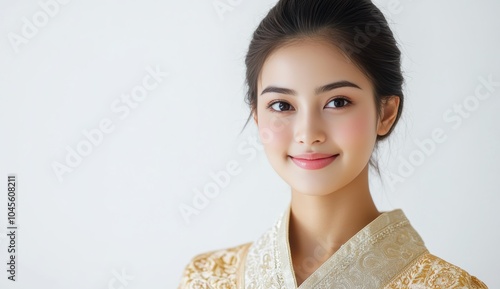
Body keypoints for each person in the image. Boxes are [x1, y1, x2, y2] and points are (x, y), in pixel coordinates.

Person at [177, 0, 488, 288]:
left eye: (338, 102)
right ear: (257, 117)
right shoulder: (206, 278)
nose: (308, 133)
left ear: (386, 112)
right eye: (282, 105)